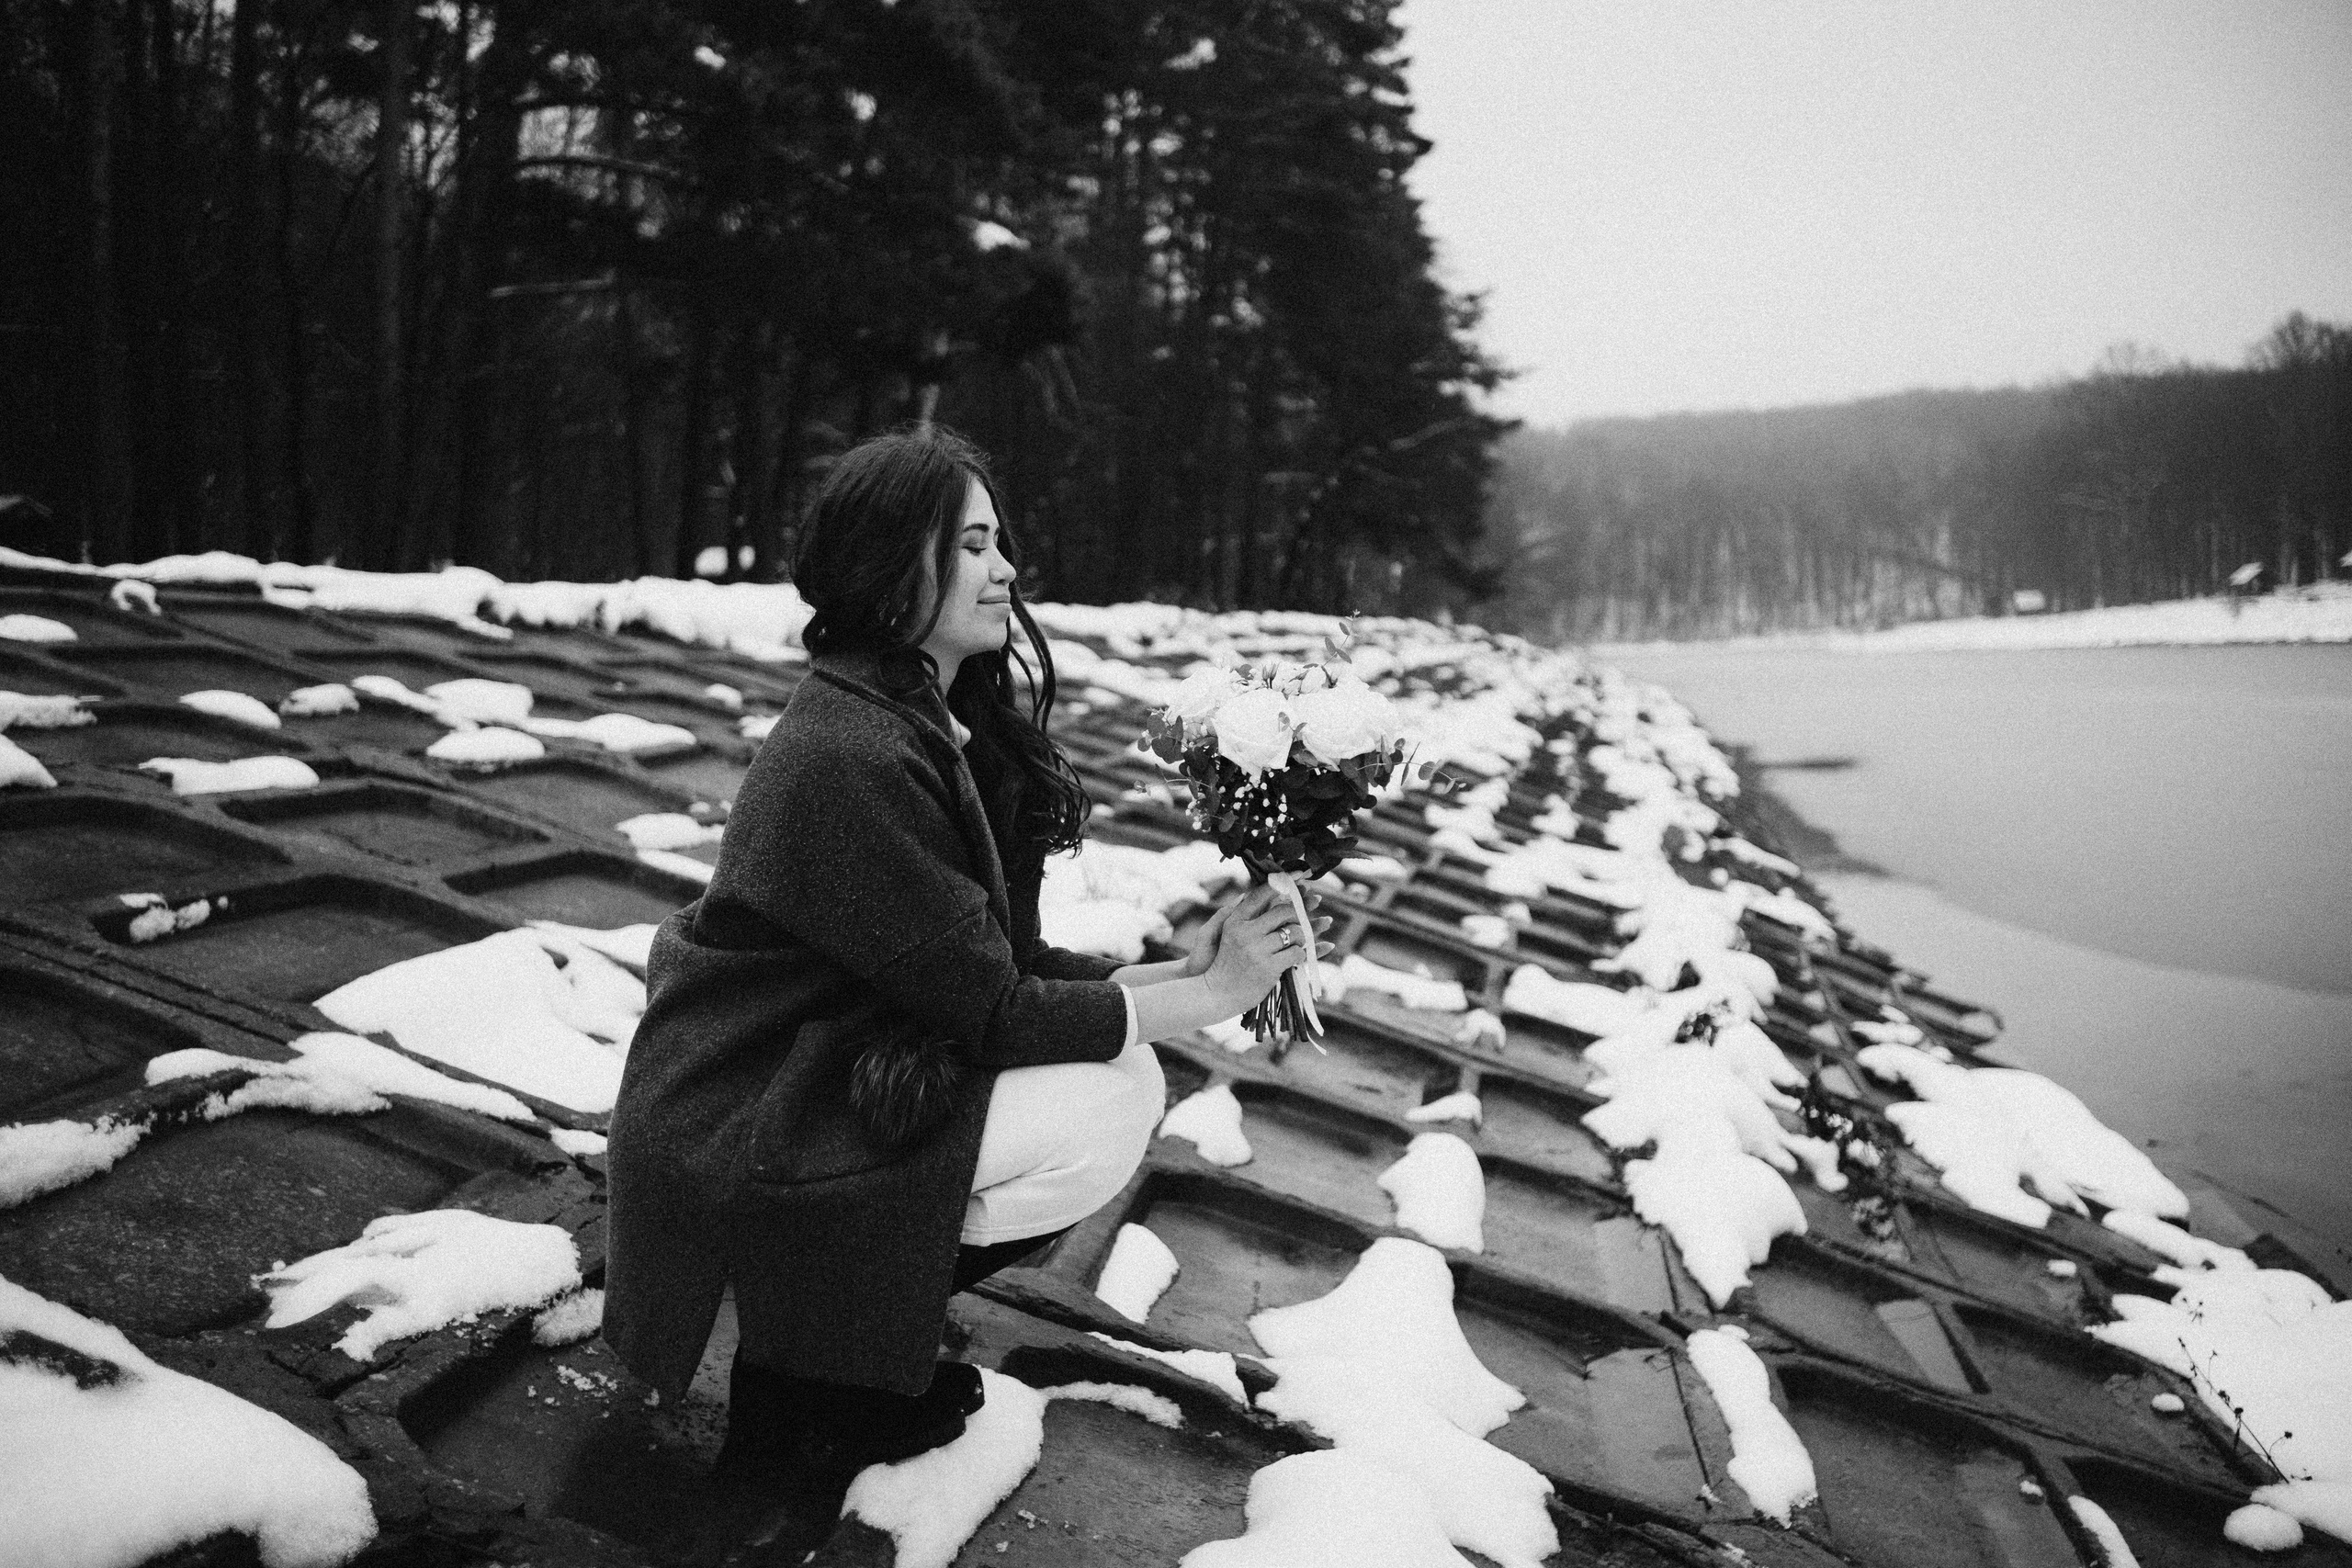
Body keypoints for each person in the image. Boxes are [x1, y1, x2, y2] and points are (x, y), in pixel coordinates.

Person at [603, 426, 1321, 1483]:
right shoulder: (851, 751)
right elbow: (991, 1014)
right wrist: (1213, 994)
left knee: (1118, 1078)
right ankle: (812, 1375)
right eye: (975, 547)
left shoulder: (916, 716)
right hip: (742, 1099)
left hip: (820, 1064)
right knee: (1104, 1101)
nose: (1007, 572)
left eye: (998, 543)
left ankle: (832, 1353)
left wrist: (1185, 969)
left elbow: (995, 968)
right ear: (893, 567)